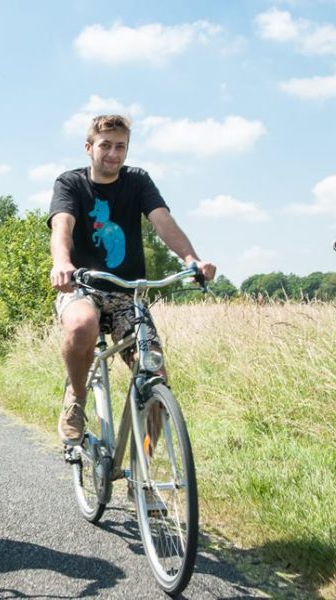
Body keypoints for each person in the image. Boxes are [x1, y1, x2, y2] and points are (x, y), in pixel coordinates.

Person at [48, 114, 217, 446]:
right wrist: (62, 263)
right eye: (105, 145)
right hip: (82, 287)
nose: (113, 153)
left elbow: (163, 221)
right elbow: (62, 227)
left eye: (120, 146)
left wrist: (191, 259)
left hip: (129, 296)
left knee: (155, 377)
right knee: (81, 324)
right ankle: (77, 400)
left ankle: (144, 475)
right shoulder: (70, 183)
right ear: (89, 147)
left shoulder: (137, 181)